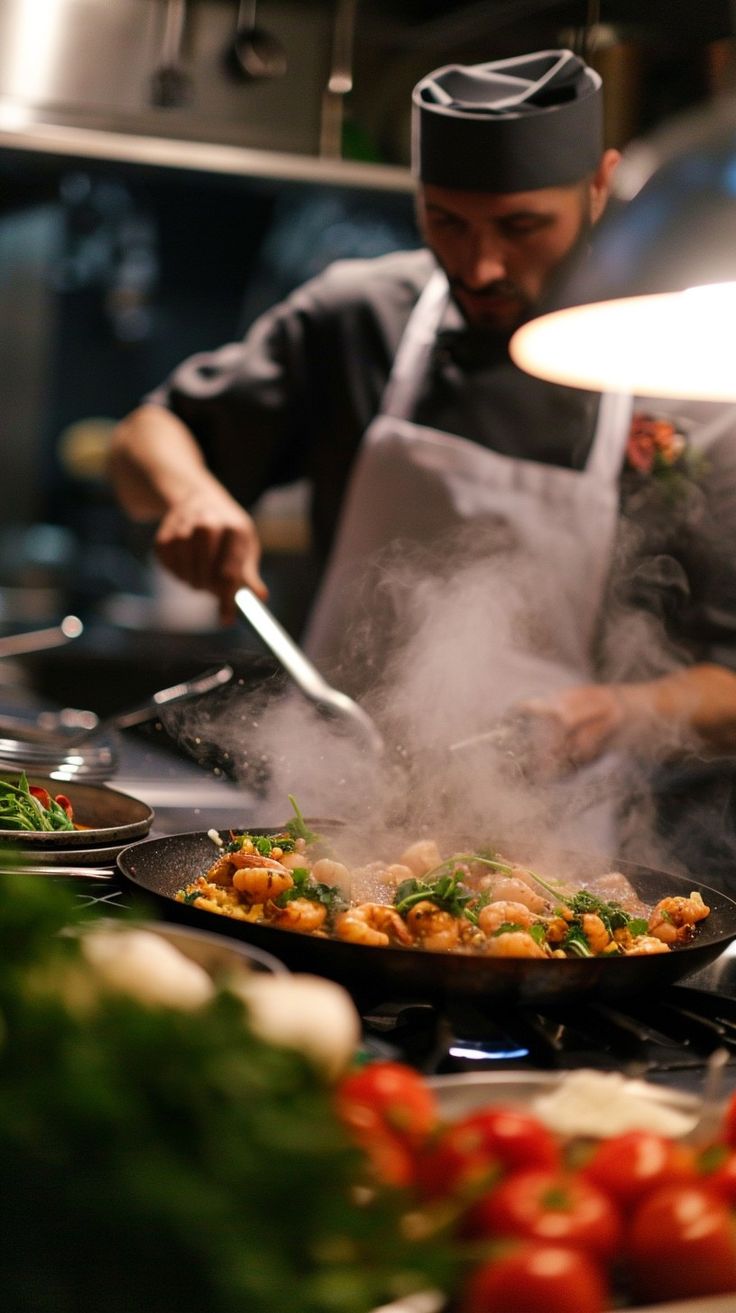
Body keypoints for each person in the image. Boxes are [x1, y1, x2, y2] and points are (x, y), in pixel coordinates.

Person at [109, 49, 736, 854]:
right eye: (446, 220)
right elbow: (143, 440)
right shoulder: (359, 317)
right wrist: (192, 493)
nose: (480, 265)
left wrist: (619, 711)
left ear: (599, 183)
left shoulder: (680, 365)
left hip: (551, 860)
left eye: (520, 226)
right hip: (320, 813)